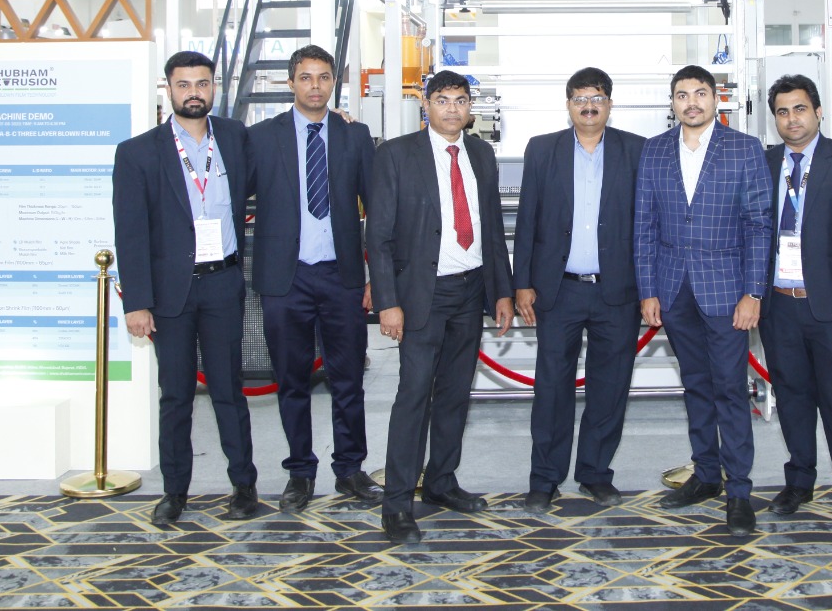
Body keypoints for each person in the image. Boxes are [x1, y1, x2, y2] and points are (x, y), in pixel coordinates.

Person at [366, 70, 515, 544]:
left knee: (454, 394)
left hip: (470, 291)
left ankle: (441, 482)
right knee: (414, 395)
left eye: (461, 100)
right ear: (426, 105)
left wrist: (502, 291)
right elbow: (378, 236)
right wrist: (387, 303)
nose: (452, 109)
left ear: (471, 108)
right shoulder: (396, 154)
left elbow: (492, 228)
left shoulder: (481, 154)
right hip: (421, 295)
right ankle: (397, 504)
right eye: (443, 100)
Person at [112, 51, 260, 525]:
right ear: (169, 89)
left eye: (202, 83)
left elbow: (281, 155)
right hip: (170, 294)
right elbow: (130, 233)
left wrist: (334, 119)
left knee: (228, 391)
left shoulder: (236, 138)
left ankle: (244, 486)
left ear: (214, 87)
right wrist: (137, 302)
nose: (193, 92)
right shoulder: (137, 152)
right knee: (175, 395)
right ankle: (174, 492)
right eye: (183, 85)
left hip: (223, 284)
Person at [635, 64, 773, 537]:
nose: (691, 102)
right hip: (674, 290)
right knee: (695, 385)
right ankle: (706, 474)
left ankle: (739, 491)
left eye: (699, 93)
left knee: (730, 389)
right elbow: (644, 225)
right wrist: (648, 290)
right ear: (672, 103)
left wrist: (753, 292)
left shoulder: (744, 148)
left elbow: (759, 226)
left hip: (728, 292)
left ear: (716, 99)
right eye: (682, 95)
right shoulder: (654, 150)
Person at [247, 45, 381, 511]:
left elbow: (377, 209)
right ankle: (300, 472)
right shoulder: (261, 137)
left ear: (333, 83)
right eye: (305, 77)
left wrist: (376, 277)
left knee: (348, 379)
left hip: (342, 276)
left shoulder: (354, 135)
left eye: (324, 77)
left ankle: (350, 469)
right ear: (291, 83)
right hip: (285, 280)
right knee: (291, 381)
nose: (315, 86)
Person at [514, 67, 647, 512]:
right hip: (558, 291)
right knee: (552, 388)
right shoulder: (542, 149)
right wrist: (522, 284)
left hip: (618, 292)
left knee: (610, 388)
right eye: (580, 98)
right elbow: (527, 220)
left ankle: (595, 473)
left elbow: (648, 225)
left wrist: (649, 287)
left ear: (610, 103)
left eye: (597, 98)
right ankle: (544, 479)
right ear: (568, 104)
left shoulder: (636, 150)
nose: (589, 106)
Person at [760, 74, 832, 528]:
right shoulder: (765, 162)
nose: (792, 119)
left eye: (800, 109)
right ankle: (799, 481)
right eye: (783, 111)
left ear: (818, 111)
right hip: (778, 305)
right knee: (791, 399)